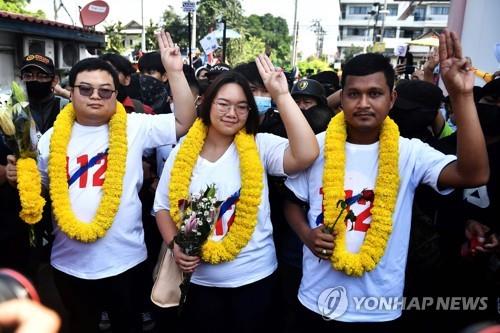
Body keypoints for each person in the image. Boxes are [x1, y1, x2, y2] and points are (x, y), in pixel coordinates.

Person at [284, 31, 489, 332]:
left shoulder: (410, 152)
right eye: (354, 94)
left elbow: (474, 174)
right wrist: (306, 234)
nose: (364, 103)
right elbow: (291, 202)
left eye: (375, 93)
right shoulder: (316, 147)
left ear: (392, 99)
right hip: (317, 300)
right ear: (342, 99)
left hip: (378, 309)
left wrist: (462, 96)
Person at [5, 31, 196, 333]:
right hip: (68, 264)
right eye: (86, 89)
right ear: (70, 90)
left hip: (126, 262)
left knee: (127, 326)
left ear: (115, 95)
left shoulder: (135, 127)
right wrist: (21, 177)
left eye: (105, 91)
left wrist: (174, 71)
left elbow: (185, 121)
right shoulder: (51, 139)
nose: (95, 96)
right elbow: (43, 186)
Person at [153, 54, 319, 333]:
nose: (232, 113)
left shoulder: (260, 145)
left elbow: (306, 153)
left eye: (242, 107)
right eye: (224, 104)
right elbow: (161, 208)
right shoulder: (184, 150)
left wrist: (280, 94)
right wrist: (175, 245)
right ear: (206, 104)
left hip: (255, 280)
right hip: (198, 282)